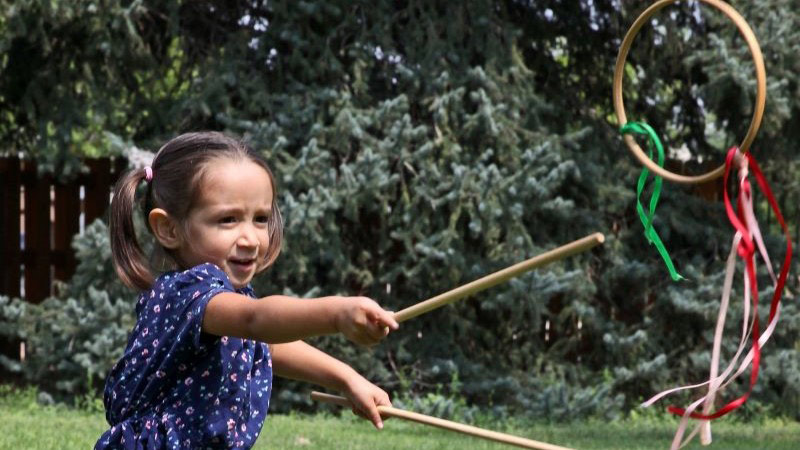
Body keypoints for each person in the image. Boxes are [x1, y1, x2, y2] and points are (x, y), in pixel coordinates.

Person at [95, 131, 399, 449]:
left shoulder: (225, 302)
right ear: (169, 229)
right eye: (228, 220)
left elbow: (263, 343)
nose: (251, 239)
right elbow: (256, 321)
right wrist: (337, 314)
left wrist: (346, 378)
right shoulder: (188, 295)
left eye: (260, 218)